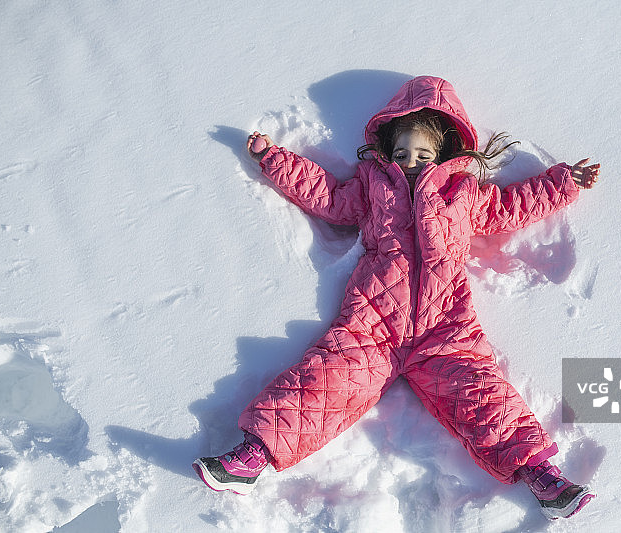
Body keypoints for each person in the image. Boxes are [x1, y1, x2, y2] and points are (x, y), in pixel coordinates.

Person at [193, 76, 600, 520]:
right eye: (402, 153)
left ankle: (541, 475)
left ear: (444, 152)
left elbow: (514, 205)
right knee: (323, 383)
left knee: (484, 397)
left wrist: (564, 184)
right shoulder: (373, 188)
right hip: (372, 325)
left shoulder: (462, 195)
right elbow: (326, 195)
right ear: (388, 148)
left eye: (423, 154)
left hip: (445, 328)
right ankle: (252, 456)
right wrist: (275, 160)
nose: (411, 162)